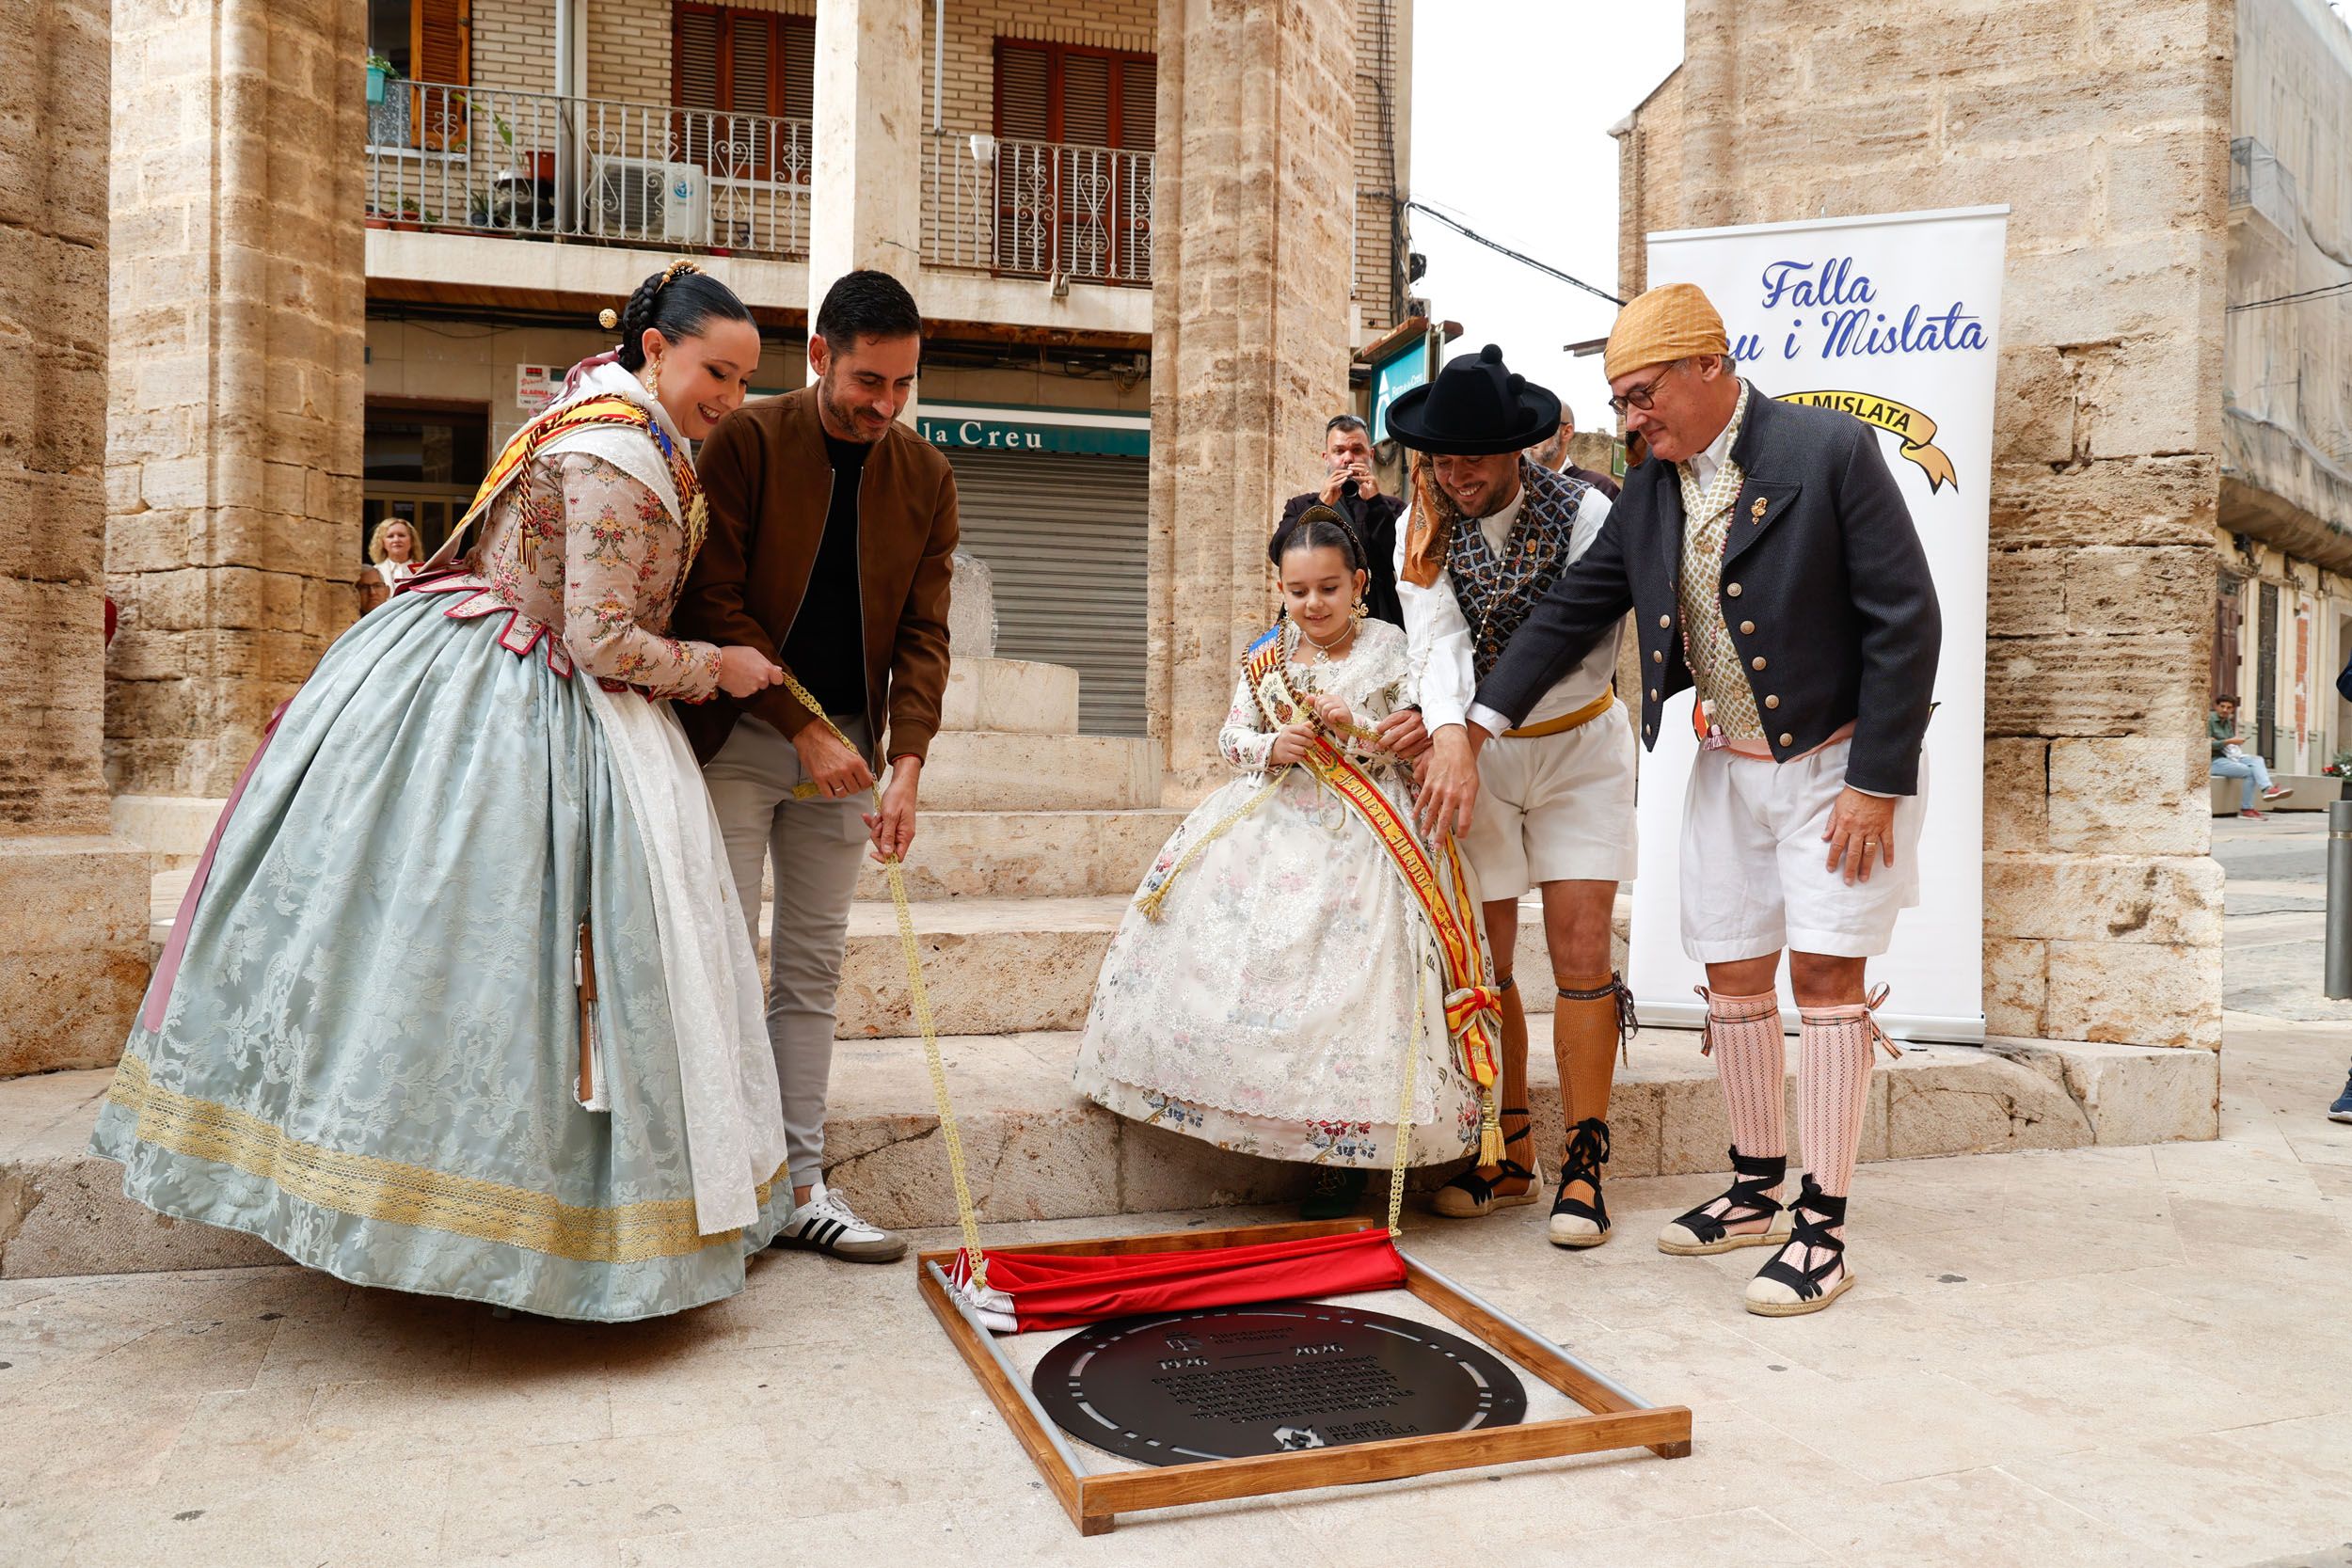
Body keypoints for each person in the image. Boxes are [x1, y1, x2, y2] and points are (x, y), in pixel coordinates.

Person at [93, 261, 799, 1321]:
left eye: (745, 380)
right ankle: (527, 1233)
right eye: (718, 372)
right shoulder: (617, 449)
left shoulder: (589, 411)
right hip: (543, 702)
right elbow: (602, 638)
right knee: (527, 954)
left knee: (422, 939)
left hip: (463, 671)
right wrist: (717, 666)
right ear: (656, 349)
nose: (731, 398)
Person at [1460, 283, 1942, 1317]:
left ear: (1708, 366)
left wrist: (1876, 783)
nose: (1629, 418)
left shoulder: (1829, 451)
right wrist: (1476, 726)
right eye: (1620, 399)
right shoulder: (1650, 489)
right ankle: (1757, 1186)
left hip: (1840, 765)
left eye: (1641, 394)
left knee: (1822, 971)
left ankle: (1823, 1224)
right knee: (1731, 973)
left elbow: (1906, 618)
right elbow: (1566, 616)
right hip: (1729, 764)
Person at [1074, 512, 1500, 1218]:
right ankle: (1270, 1126)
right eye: (1298, 590)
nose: (1314, 604)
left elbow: (1408, 741)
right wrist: (1270, 748)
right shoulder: (1265, 656)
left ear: (1360, 582)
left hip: (1370, 838)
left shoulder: (1394, 649)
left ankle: (1347, 1158)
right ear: (1280, 588)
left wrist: (1354, 723)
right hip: (1272, 828)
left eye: (1329, 587)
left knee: (1355, 991)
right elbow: (1230, 734)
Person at [674, 269, 958, 1265]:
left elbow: (925, 634)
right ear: (820, 357)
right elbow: (713, 601)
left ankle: (800, 1186)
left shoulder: (926, 475)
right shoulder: (744, 441)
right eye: (867, 382)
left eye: (902, 387)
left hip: (852, 752)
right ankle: (711, 1188)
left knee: (809, 970)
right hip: (740, 740)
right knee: (714, 957)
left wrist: (909, 760)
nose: (883, 406)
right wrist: (801, 726)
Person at [1381, 345, 1638, 1247]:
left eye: (1474, 463)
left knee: (1578, 948)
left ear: (1518, 452)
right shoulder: (1419, 525)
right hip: (1479, 761)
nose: (1458, 479)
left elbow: (1569, 636)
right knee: (1483, 962)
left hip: (1577, 749)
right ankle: (1508, 1147)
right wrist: (1447, 730)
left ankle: (1586, 1160)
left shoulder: (1591, 511)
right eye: (1443, 463)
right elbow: (1439, 639)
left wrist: (1460, 727)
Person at [1276, 414, 1406, 626]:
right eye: (1339, 451)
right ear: (1326, 457)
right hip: (1315, 616)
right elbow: (1279, 552)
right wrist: (1321, 505)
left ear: (1370, 455)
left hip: (1377, 617)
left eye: (1357, 450)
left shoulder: (1393, 508)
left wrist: (1376, 504)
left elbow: (1401, 560)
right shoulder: (1301, 506)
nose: (1347, 459)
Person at [2210, 694, 2290, 818]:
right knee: (2249, 771)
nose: (2225, 710)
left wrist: (2232, 742)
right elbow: (2205, 744)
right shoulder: (2208, 720)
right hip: (2213, 761)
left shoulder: (2227, 723)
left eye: (2229, 707)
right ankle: (2247, 809)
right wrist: (2228, 741)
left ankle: (2267, 789)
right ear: (2216, 706)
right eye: (2222, 706)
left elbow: (2225, 743)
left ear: (2232, 710)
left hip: (2229, 757)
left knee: (2257, 760)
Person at [1527, 404, 1621, 500]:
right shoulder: (1516, 485)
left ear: (1566, 432)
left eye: (1542, 426)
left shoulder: (1600, 488)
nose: (1531, 435)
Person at [357, 516, 425, 613]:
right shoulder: (375, 572)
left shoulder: (424, 571)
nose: (396, 540)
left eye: (401, 535)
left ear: (412, 540)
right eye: (390, 536)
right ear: (382, 542)